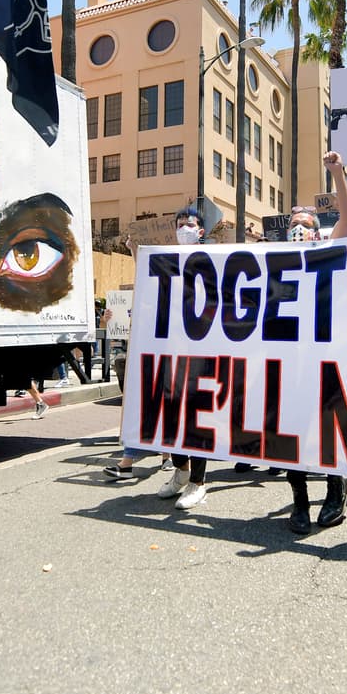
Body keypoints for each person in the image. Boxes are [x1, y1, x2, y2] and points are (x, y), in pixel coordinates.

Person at [283, 151, 347, 533]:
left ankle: (335, 488)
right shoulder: (274, 259)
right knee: (291, 428)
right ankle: (298, 500)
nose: (299, 229)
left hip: (329, 357)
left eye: (305, 224)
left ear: (316, 230)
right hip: (290, 359)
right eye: (293, 225)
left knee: (330, 426)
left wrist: (336, 173)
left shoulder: (329, 250)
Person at [157, 206, 216, 510]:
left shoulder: (215, 260)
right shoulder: (167, 258)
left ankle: (198, 482)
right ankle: (180, 472)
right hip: (172, 351)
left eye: (189, 224)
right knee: (171, 413)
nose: (184, 229)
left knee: (196, 417)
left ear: (201, 231)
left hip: (200, 354)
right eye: (180, 224)